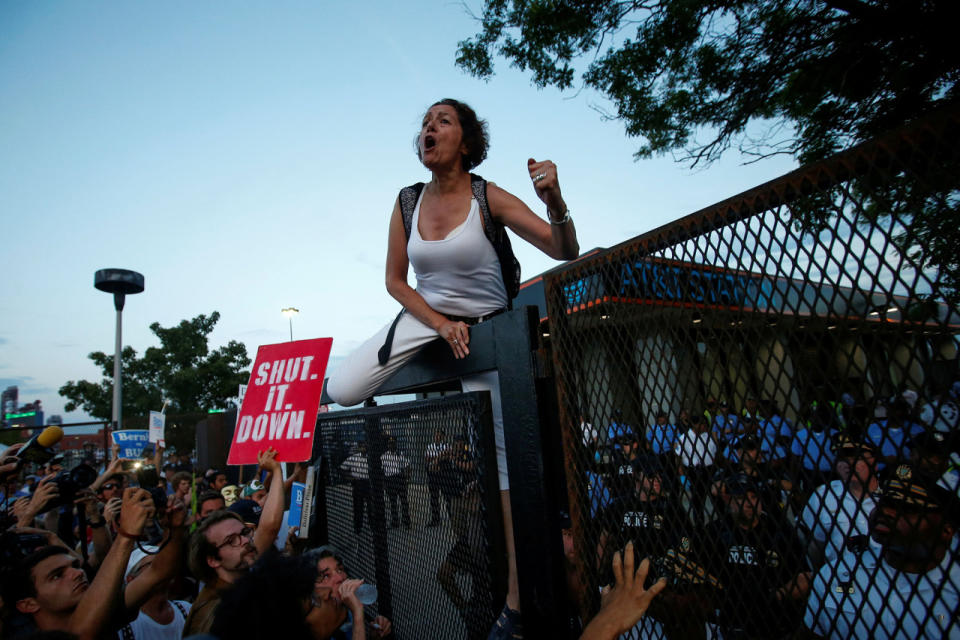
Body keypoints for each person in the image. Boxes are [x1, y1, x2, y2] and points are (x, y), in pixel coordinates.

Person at [326, 98, 579, 618]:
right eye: (424, 122)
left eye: (442, 121)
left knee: (506, 466)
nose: (428, 128)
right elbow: (396, 281)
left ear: (465, 143)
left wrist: (555, 201)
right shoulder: (406, 201)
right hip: (427, 319)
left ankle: (514, 602)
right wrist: (438, 325)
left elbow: (563, 249)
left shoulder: (488, 196)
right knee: (344, 390)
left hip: (487, 329)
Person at [4, 487, 186, 640]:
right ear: (28, 604)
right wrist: (126, 535)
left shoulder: (109, 612)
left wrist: (174, 530)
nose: (77, 573)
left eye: (75, 566)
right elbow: (82, 633)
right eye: (57, 575)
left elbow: (160, 572)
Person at [803, 463, 960, 638]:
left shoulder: (954, 585)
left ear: (946, 531)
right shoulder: (838, 574)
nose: (886, 512)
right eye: (884, 502)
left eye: (907, 509)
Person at [181, 448, 285, 636]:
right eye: (231, 540)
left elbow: (268, 528)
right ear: (212, 560)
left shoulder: (240, 564)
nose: (245, 541)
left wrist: (277, 471)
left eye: (245, 532)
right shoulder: (212, 614)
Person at [799, 436, 879, 569]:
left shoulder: (891, 496)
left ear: (874, 463)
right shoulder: (823, 495)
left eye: (857, 458)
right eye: (842, 459)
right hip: (841, 576)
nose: (849, 464)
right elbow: (816, 544)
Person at [308, 547, 392, 639]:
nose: (340, 578)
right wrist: (358, 614)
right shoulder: (312, 625)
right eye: (326, 576)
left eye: (340, 569)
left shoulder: (346, 611)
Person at [340, 443, 371, 535]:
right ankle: (358, 527)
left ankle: (372, 525)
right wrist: (350, 478)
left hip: (368, 483)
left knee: (371, 507)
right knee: (358, 507)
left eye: (365, 446)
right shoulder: (354, 458)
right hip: (358, 483)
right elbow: (342, 468)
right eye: (362, 446)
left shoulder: (370, 458)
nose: (363, 448)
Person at [381, 436, 411, 529]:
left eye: (393, 443)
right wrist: (384, 483)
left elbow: (407, 465)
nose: (392, 445)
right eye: (390, 443)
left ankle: (406, 521)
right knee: (393, 502)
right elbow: (382, 471)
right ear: (388, 445)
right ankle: (395, 521)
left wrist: (407, 478)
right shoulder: (384, 456)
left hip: (399, 478)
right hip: (390, 479)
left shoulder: (400, 454)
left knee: (404, 501)